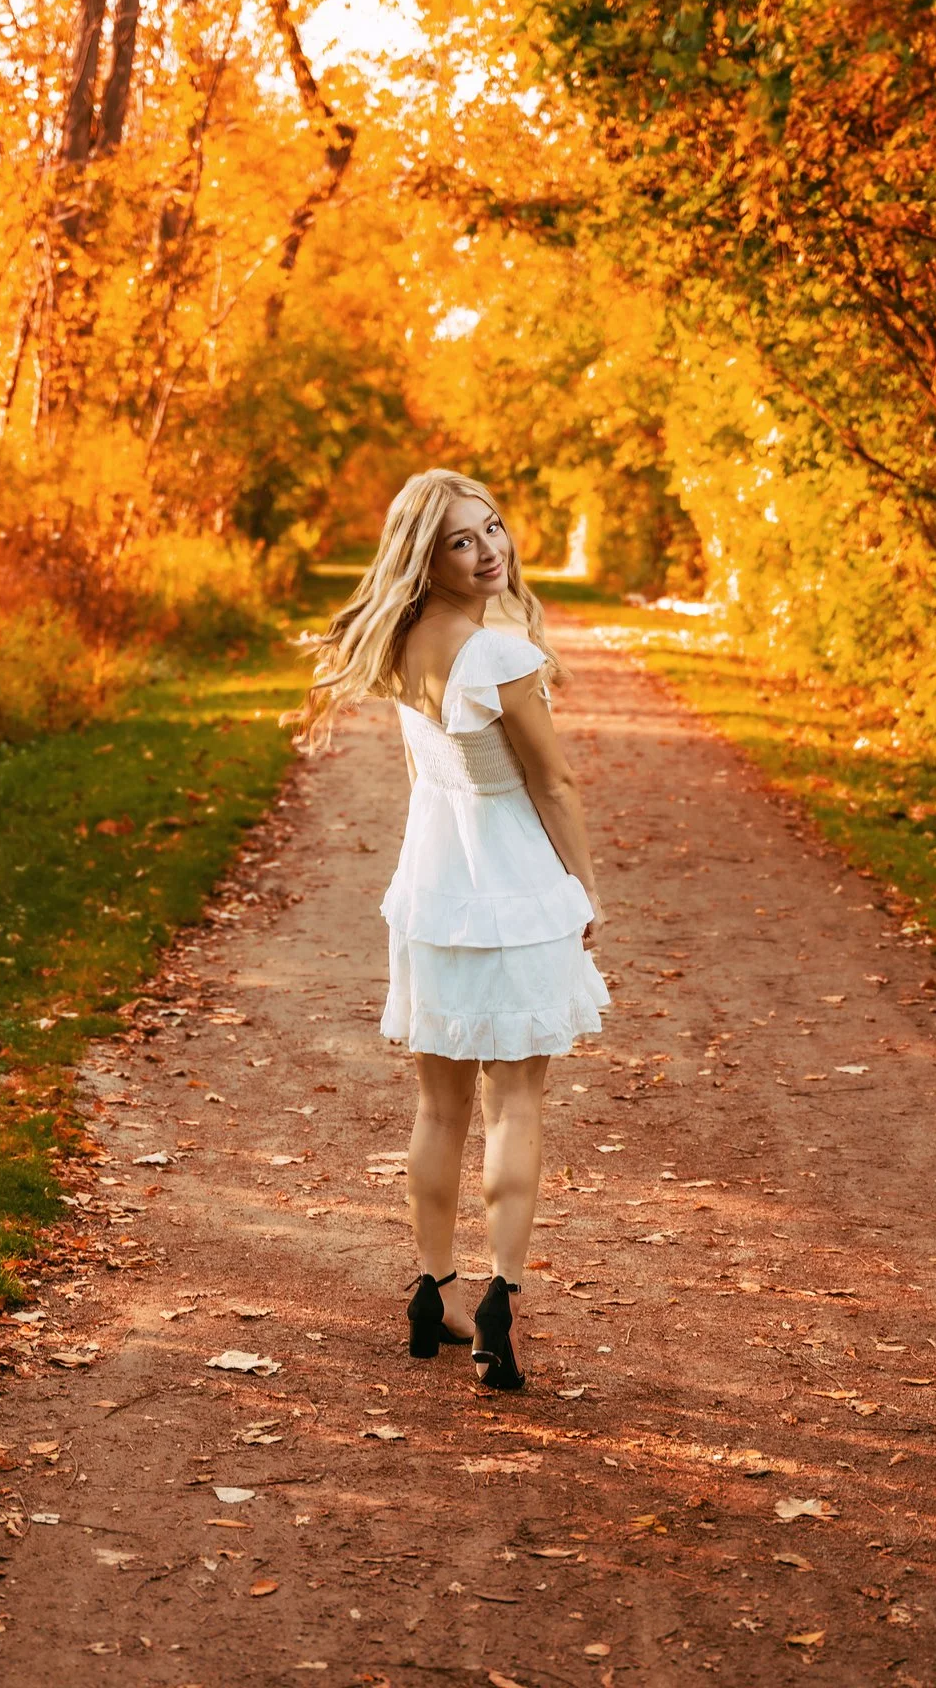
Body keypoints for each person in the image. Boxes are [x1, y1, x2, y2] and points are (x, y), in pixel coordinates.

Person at [293, 469, 607, 1389]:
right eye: (463, 540)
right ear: (426, 558)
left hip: (433, 891)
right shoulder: (496, 656)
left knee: (439, 1107)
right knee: (516, 1106)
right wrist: (584, 889)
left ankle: (433, 1293)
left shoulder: (395, 642)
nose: (491, 550)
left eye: (494, 528)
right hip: (509, 895)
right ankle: (501, 1302)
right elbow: (552, 785)